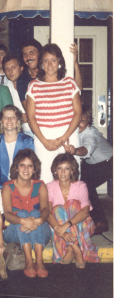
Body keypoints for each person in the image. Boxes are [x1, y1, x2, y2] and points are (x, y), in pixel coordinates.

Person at [26, 43, 82, 184]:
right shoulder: (34, 85)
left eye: (53, 60)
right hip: (43, 136)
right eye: (46, 60)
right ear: (41, 64)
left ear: (59, 63)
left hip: (68, 136)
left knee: (71, 178)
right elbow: (31, 116)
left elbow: (78, 113)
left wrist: (63, 138)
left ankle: (71, 206)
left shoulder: (69, 83)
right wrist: (44, 141)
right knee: (45, 177)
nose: (50, 64)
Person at [2, 149, 52, 278]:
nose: (26, 169)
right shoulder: (8, 186)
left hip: (39, 228)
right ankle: (29, 261)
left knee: (35, 212)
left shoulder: (40, 185)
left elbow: (46, 209)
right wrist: (23, 221)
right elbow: (7, 214)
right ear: (17, 168)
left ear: (35, 169)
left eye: (30, 166)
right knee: (23, 213)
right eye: (22, 165)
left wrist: (40, 220)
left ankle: (39, 261)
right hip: (14, 231)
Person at [64, 106, 112, 234]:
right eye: (77, 119)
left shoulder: (91, 133)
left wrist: (74, 151)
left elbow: (86, 149)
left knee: (86, 184)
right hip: (94, 163)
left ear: (88, 123)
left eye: (83, 120)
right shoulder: (73, 132)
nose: (79, 123)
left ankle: (100, 221)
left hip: (108, 163)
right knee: (78, 179)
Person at [46, 153, 100, 268]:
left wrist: (66, 225)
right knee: (57, 209)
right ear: (55, 170)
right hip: (58, 227)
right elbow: (47, 213)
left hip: (82, 224)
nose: (63, 172)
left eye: (67, 168)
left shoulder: (81, 185)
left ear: (72, 170)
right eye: (60, 168)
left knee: (73, 204)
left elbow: (85, 212)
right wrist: (61, 231)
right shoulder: (50, 187)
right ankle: (76, 248)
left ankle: (70, 249)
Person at [0, 105, 34, 188]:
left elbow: (32, 168)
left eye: (13, 117)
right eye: (6, 117)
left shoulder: (28, 142)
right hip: (1, 187)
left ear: (18, 121)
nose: (9, 120)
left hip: (24, 186)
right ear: (1, 122)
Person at [1, 54, 31, 136]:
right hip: (17, 132)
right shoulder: (4, 88)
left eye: (13, 67)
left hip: (35, 129)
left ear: (21, 68)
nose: (10, 71)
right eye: (7, 69)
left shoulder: (30, 84)